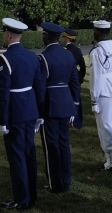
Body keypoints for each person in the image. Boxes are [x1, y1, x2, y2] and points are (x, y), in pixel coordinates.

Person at [0, 18, 45, 210]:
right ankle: (31, 195)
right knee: (29, 153)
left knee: (17, 157)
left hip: (15, 113)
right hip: (30, 110)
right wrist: (39, 113)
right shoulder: (33, 56)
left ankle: (21, 198)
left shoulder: (5, 59)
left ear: (8, 35)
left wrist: (2, 120)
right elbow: (39, 87)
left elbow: (3, 95)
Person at [37, 22, 80, 194]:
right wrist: (74, 105)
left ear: (46, 36)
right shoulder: (68, 55)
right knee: (64, 144)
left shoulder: (43, 57)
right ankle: (66, 180)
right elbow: (74, 83)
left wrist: (39, 111)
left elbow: (40, 87)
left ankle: (55, 184)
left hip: (50, 105)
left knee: (51, 145)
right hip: (66, 104)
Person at [89, 20, 112, 171]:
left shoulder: (97, 51)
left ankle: (110, 160)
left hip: (103, 91)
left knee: (105, 126)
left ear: (97, 32)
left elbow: (95, 77)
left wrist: (93, 99)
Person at [62, 27, 85, 129]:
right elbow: (83, 66)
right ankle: (77, 121)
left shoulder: (65, 50)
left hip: (67, 77)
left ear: (67, 38)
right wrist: (80, 76)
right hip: (76, 76)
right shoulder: (78, 50)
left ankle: (70, 120)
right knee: (77, 99)